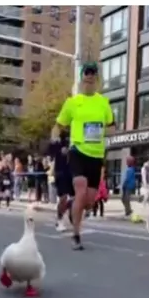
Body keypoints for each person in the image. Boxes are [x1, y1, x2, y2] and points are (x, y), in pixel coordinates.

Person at [52, 61, 115, 250]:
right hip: (78, 151)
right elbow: (59, 125)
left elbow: (111, 126)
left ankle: (75, 206)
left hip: (96, 156)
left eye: (92, 73)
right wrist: (55, 136)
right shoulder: (73, 103)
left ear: (96, 78)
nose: (89, 76)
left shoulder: (103, 102)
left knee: (89, 201)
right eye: (86, 73)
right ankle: (76, 235)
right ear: (81, 78)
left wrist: (110, 134)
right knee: (80, 190)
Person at [48, 130, 73, 232]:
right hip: (61, 174)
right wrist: (54, 140)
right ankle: (59, 219)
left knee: (73, 199)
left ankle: (70, 216)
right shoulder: (57, 144)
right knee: (63, 198)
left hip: (72, 174)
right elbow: (49, 151)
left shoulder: (75, 144)